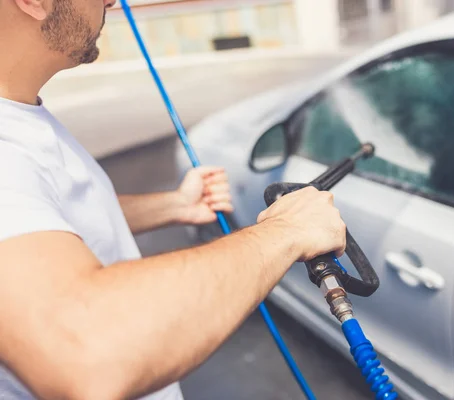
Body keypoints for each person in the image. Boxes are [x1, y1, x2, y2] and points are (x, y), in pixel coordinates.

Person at [0, 0, 347, 397]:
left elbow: (49, 218)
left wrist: (174, 206)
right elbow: (86, 350)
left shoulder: (20, 113)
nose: (113, 1)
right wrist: (287, 231)